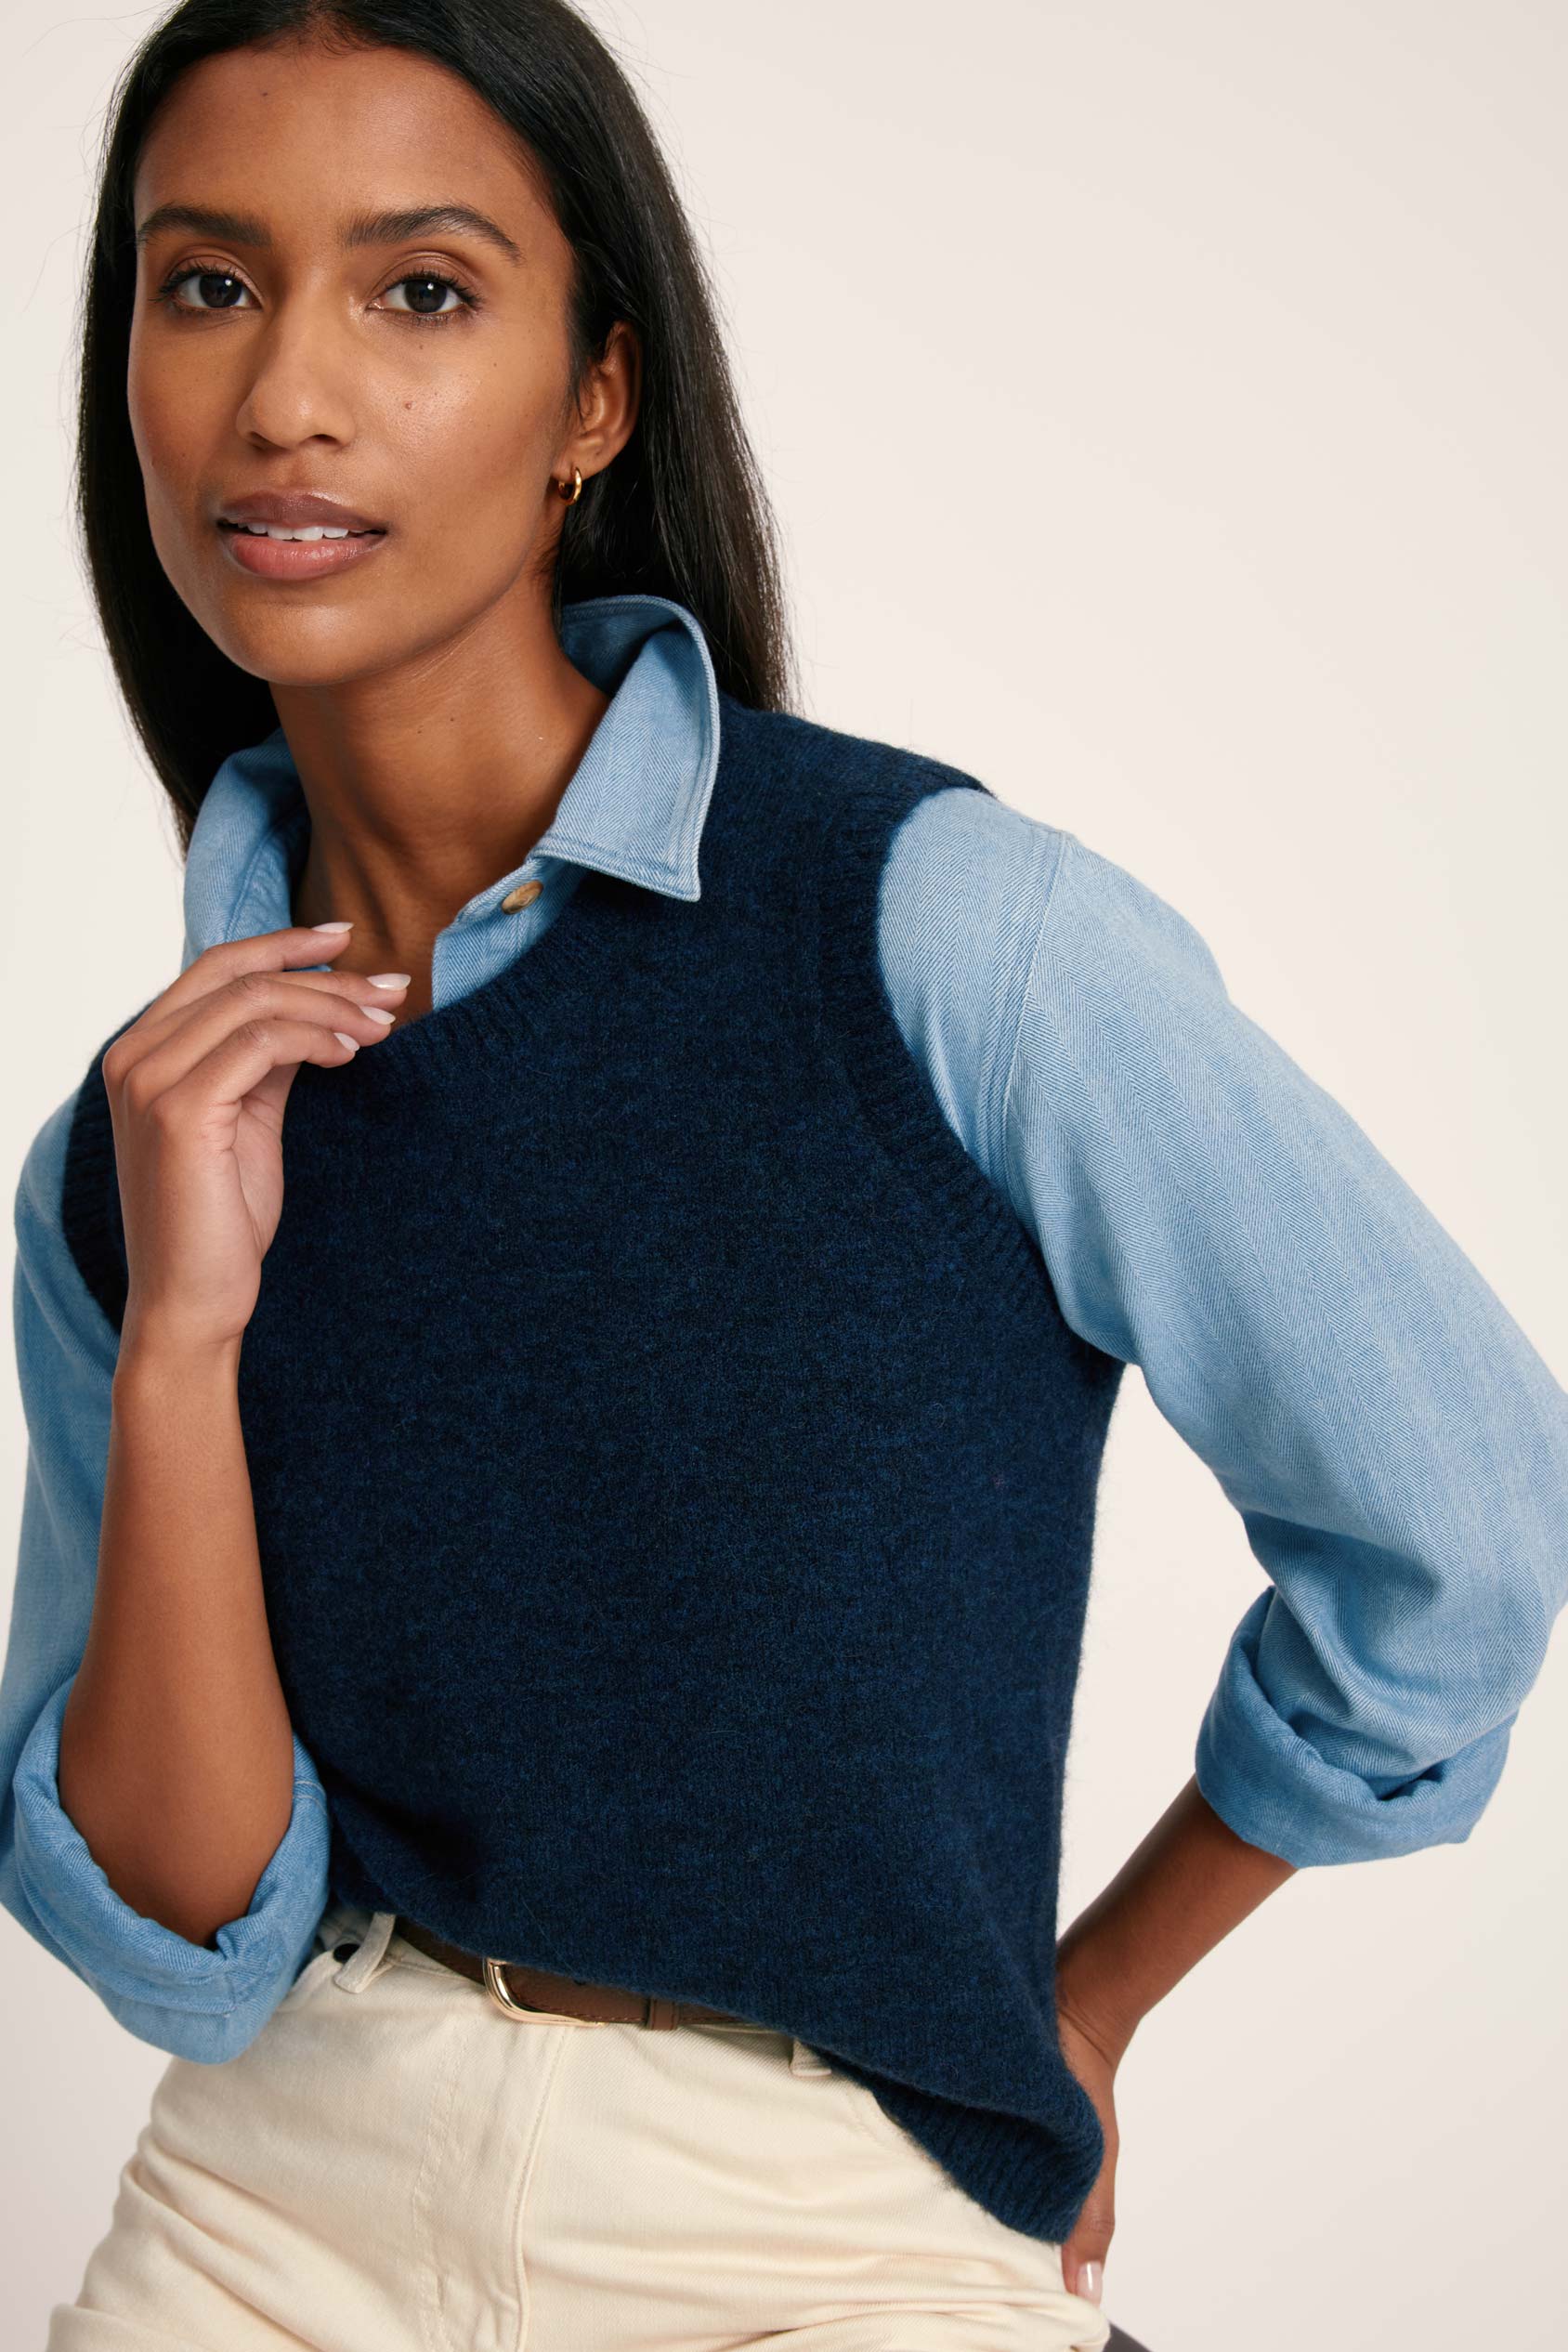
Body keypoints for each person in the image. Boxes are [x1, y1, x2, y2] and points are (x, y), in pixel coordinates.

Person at [3, 2, 1563, 2346]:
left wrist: (1089, 2004)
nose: (282, 396)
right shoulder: (136, 1151)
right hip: (273, 2221)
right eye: (204, 282)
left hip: (811, 2231)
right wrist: (190, 1339)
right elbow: (188, 1928)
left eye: (419, 290)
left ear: (596, 400)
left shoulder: (925, 929)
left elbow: (1455, 1515)